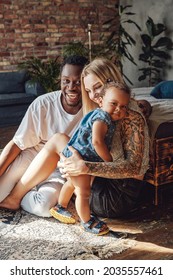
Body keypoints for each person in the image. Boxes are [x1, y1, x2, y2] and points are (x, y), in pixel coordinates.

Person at [0, 57, 150, 221]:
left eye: (97, 87)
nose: (93, 96)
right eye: (89, 91)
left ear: (111, 81)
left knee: (59, 140)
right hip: (103, 185)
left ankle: (16, 197)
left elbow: (133, 168)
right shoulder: (103, 111)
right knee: (63, 144)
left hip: (114, 198)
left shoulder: (129, 116)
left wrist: (85, 167)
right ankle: (25, 192)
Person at [0, 55, 88, 217]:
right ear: (60, 81)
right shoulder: (43, 104)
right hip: (32, 156)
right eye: (66, 81)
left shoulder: (92, 109)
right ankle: (18, 186)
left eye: (78, 82)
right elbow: (17, 144)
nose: (71, 87)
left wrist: (143, 104)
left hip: (59, 168)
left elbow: (120, 98)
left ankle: (21, 192)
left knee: (43, 208)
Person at [49, 81, 131, 235]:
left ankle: (60, 206)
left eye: (124, 106)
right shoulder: (102, 117)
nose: (119, 109)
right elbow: (97, 141)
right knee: (83, 192)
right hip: (80, 157)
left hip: (78, 155)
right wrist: (109, 162)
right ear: (101, 101)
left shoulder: (103, 115)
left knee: (72, 184)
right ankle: (87, 222)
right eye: (114, 103)